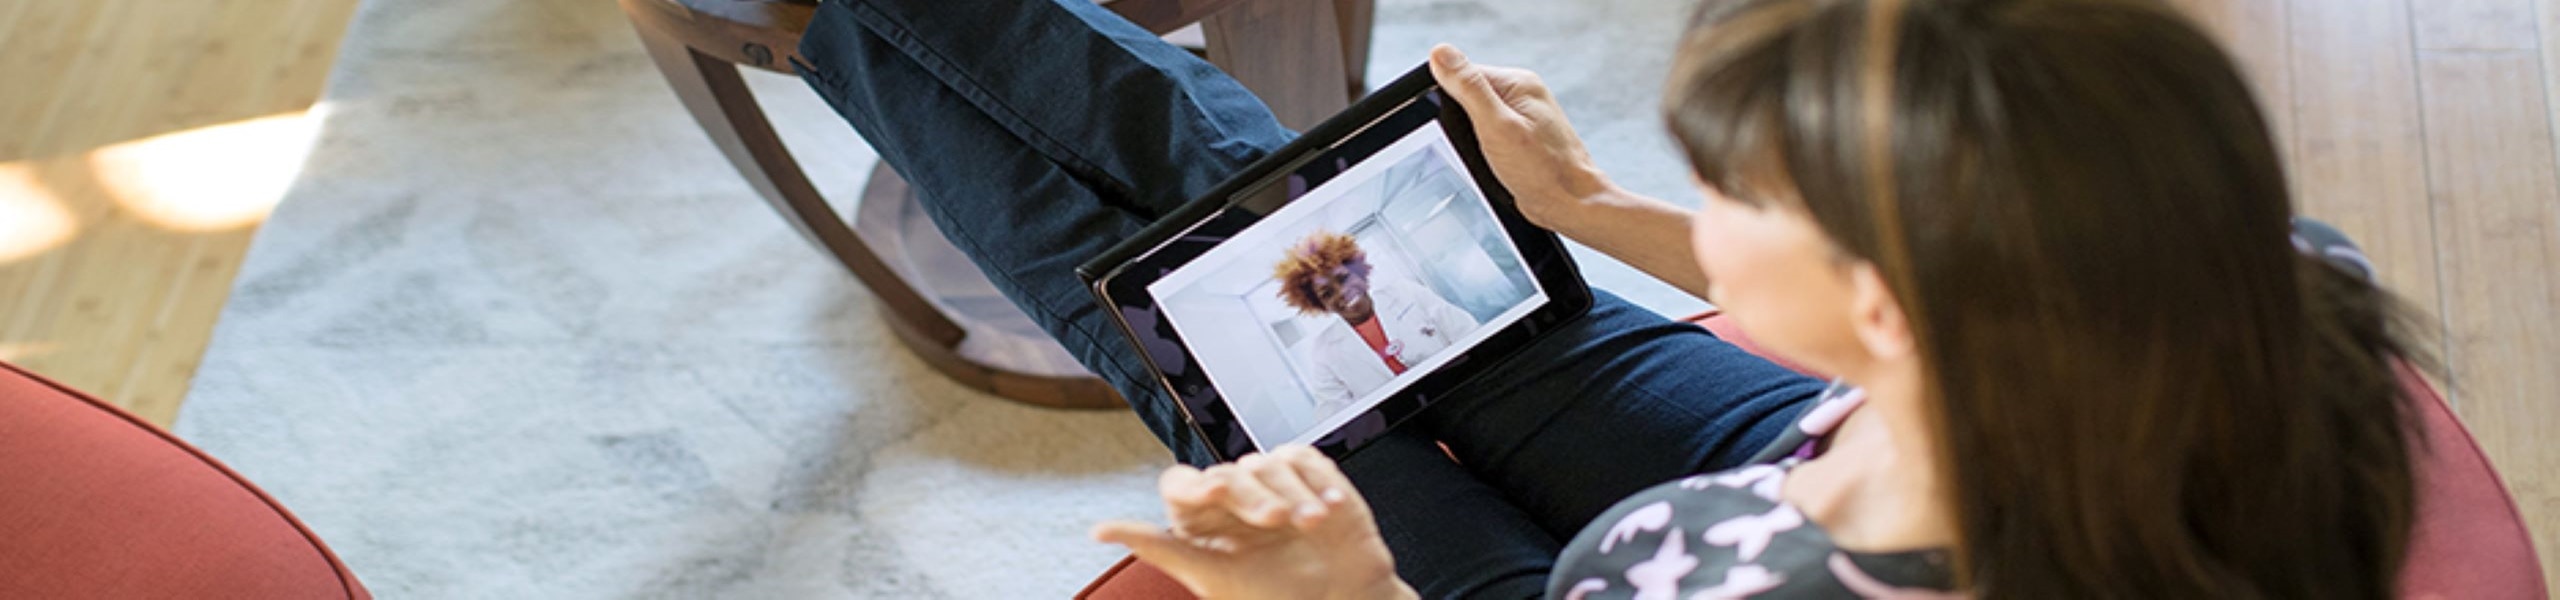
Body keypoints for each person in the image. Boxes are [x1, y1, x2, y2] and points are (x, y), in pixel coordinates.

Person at [793, 0, 2422, 596]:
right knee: (1350, 244)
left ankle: (839, 27)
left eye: (1736, 192)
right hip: (1810, 450)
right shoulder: (2269, 281)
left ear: (1889, 307)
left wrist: (1348, 591)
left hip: (1674, 549)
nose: (1697, 204)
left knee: (1240, 371)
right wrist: (1583, 210)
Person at [1272, 231, 1482, 414]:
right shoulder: (1324, 350)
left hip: (1464, 390)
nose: (1342, 292)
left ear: (1359, 273)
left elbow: (1467, 332)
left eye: (1343, 279)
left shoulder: (1404, 291)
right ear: (1320, 305)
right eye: (1327, 294)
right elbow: (1333, 412)